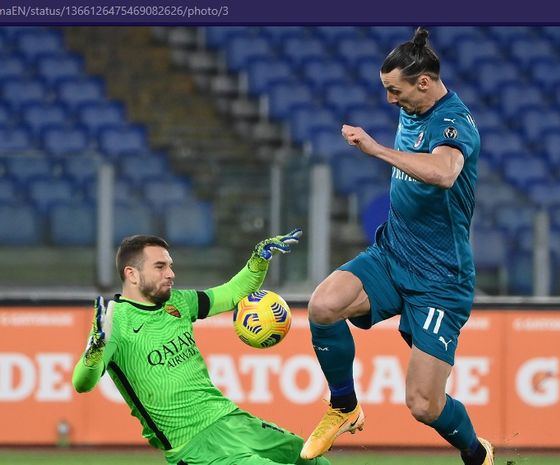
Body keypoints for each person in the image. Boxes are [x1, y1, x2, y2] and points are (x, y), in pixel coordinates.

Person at [300, 27, 493, 465]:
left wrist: (375, 149)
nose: (390, 100)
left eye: (395, 90)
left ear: (423, 82)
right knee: (323, 305)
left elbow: (444, 173)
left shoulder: (455, 123)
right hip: (393, 254)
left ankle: (475, 452)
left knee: (424, 405)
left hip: (441, 279)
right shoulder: (414, 104)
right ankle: (344, 408)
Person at [72, 229, 332, 465]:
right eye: (160, 267)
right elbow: (82, 383)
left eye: (170, 266)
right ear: (132, 274)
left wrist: (258, 260)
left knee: (312, 459)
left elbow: (231, 293)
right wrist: (94, 352)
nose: (171, 274)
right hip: (195, 446)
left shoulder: (179, 302)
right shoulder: (114, 323)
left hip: (231, 419)